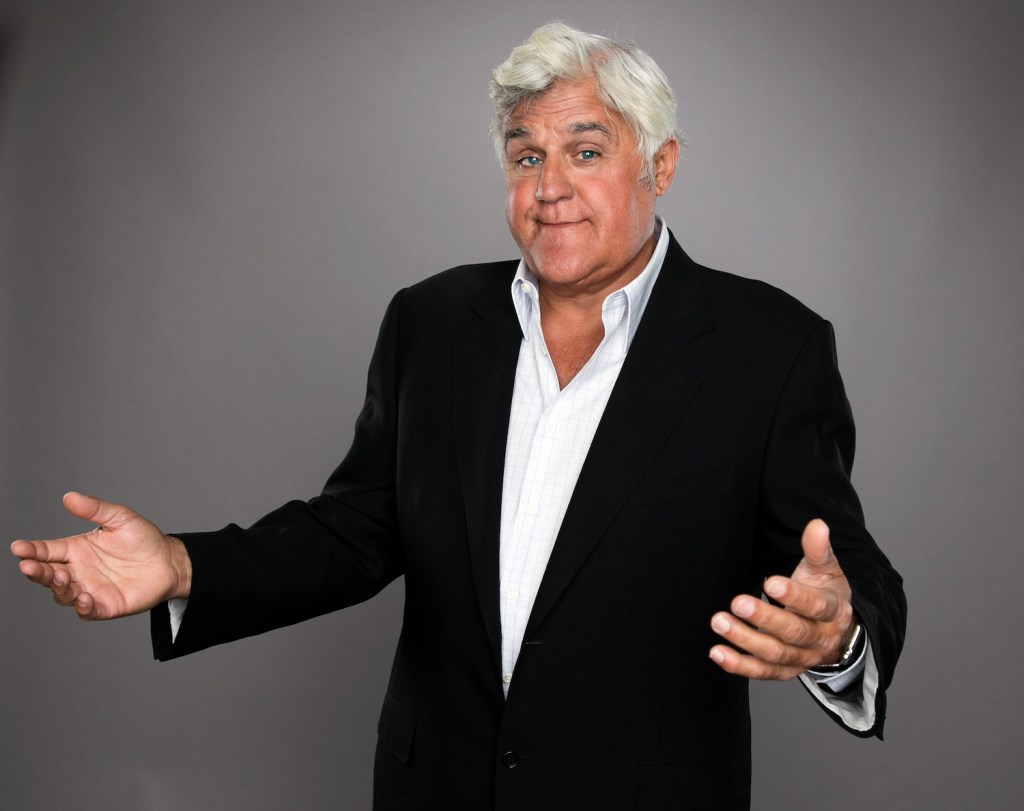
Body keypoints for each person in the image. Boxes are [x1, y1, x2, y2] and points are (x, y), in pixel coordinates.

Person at [10, 22, 905, 811]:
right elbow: (353, 531)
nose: (550, 187)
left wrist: (838, 634)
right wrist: (181, 565)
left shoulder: (767, 348)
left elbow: (844, 567)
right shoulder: (432, 323)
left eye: (585, 151)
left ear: (659, 165)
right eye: (527, 156)